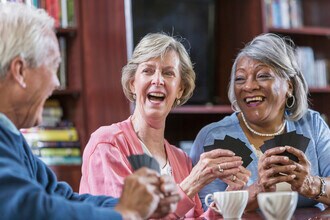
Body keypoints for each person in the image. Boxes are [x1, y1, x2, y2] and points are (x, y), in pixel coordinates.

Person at [0, 2, 180, 219]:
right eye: (53, 67)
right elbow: (28, 211)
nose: (57, 83)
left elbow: (61, 198)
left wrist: (139, 205)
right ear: (20, 71)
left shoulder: (12, 138)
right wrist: (126, 212)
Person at [79, 32, 251, 218]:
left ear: (180, 90)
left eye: (168, 73)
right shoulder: (108, 144)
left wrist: (228, 199)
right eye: (148, 70)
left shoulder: (181, 160)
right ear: (132, 84)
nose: (158, 80)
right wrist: (191, 184)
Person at [190, 33, 330, 211]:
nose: (248, 86)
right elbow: (207, 210)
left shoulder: (312, 125)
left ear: (289, 85)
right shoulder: (215, 136)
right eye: (240, 79)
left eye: (263, 76)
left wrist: (310, 184)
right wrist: (259, 188)